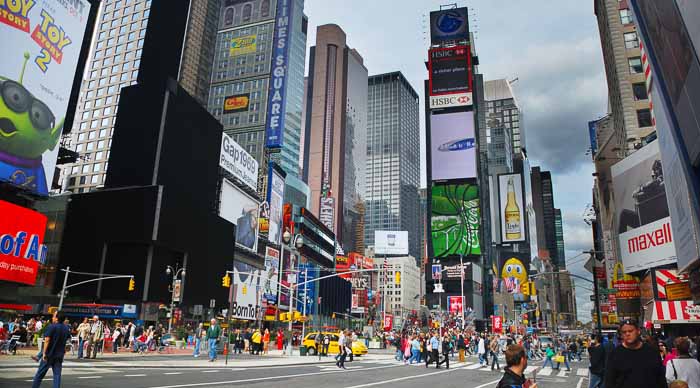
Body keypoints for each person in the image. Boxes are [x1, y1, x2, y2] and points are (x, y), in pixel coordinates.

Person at [605, 319, 667, 388]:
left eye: (630, 331)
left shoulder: (652, 352)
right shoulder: (615, 354)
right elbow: (609, 382)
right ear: (621, 335)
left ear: (638, 331)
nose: (627, 334)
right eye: (624, 332)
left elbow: (661, 378)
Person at [32, 313, 71, 388]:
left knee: (40, 375)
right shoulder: (66, 328)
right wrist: (65, 349)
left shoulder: (52, 326)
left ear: (56, 318)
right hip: (59, 355)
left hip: (49, 354)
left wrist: (43, 353)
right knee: (57, 375)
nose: (52, 317)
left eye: (53, 316)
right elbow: (68, 340)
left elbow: (47, 340)